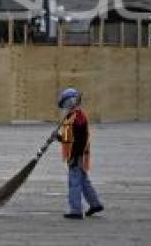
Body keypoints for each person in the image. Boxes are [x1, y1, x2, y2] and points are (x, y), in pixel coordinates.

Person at [57, 87, 104, 220]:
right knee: (82, 180)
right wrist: (58, 137)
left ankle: (76, 210)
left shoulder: (78, 117)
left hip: (77, 154)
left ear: (70, 101)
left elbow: (80, 140)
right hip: (76, 154)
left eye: (66, 102)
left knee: (74, 182)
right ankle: (95, 204)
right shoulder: (71, 116)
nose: (65, 106)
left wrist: (74, 156)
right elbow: (68, 138)